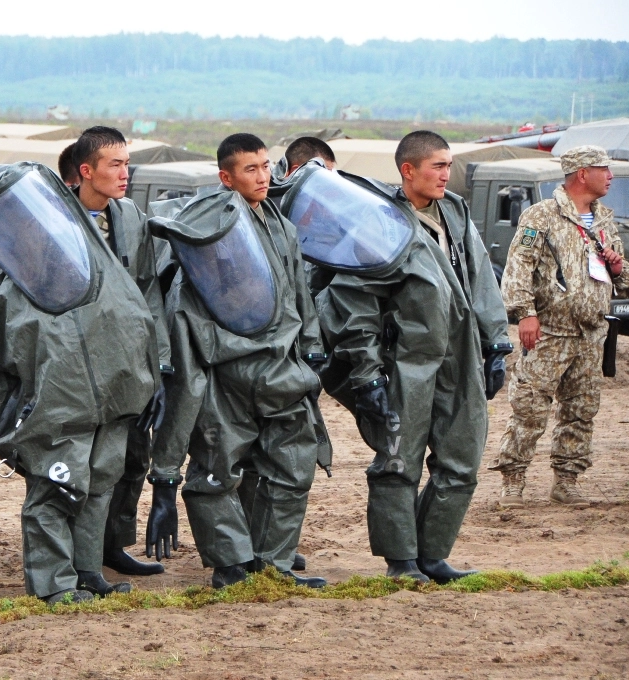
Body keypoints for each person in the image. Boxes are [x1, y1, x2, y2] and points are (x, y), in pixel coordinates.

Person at [305, 130, 511, 584]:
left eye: (448, 164)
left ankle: (433, 555)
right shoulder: (380, 221)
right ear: (408, 170)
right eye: (437, 166)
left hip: (462, 356)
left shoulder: (455, 212)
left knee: (462, 459)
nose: (446, 174)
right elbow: (352, 300)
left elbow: (480, 281)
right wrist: (368, 374)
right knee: (398, 459)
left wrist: (496, 343)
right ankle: (401, 561)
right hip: (406, 360)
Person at [0, 162, 162, 604]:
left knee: (98, 485)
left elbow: (140, 325)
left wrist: (148, 385)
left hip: (113, 405)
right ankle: (54, 585)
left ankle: (86, 572)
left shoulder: (103, 275)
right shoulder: (10, 296)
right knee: (54, 489)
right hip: (55, 410)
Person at [145, 133, 329, 589]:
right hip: (226, 369)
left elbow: (298, 294)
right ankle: (230, 565)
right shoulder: (209, 231)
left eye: (267, 166)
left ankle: (273, 563)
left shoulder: (280, 225)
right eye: (251, 169)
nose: (263, 176)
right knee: (216, 468)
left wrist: (311, 346)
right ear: (226, 177)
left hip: (281, 367)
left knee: (291, 465)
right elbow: (187, 304)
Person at [489, 145, 629, 508]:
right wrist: (525, 313)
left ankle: (567, 481)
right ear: (582, 173)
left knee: (582, 409)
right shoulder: (541, 216)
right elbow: (518, 268)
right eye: (605, 169)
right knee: (530, 407)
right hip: (550, 331)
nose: (611, 176)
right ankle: (514, 481)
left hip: (591, 333)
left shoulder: (604, 220)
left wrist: (619, 269)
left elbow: (625, 279)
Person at [71, 126, 171, 577]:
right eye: (115, 164)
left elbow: (149, 291)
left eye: (127, 163)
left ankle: (112, 546)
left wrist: (159, 363)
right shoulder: (60, 218)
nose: (124, 172)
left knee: (132, 457)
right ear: (86, 170)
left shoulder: (129, 216)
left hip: (128, 361)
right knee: (80, 465)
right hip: (79, 361)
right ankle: (75, 559)